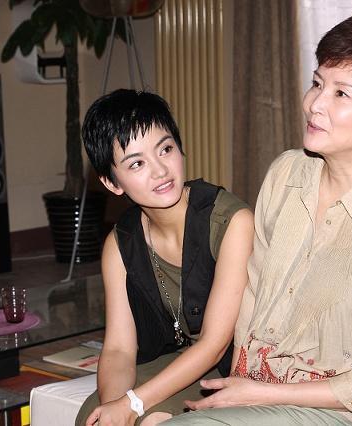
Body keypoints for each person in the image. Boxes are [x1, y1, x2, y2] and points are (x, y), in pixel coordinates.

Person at [163, 12, 352, 426]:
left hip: (340, 412)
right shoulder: (286, 173)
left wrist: (261, 395)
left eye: (341, 93)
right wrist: (237, 391)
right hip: (254, 389)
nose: (314, 104)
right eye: (317, 83)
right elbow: (252, 295)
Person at [75, 89, 254, 426]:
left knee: (153, 419)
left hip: (235, 364)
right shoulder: (120, 244)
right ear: (112, 183)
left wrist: (133, 404)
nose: (160, 170)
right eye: (137, 163)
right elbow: (119, 350)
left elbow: (215, 344)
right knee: (93, 417)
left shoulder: (231, 222)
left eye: (165, 149)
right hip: (180, 358)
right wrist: (115, 407)